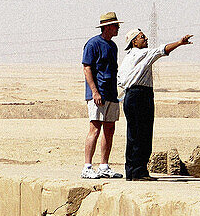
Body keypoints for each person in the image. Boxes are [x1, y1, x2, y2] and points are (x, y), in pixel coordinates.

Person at [118, 27, 193, 180]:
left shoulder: (127, 58)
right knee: (143, 134)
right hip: (141, 96)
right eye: (142, 37)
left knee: (132, 135)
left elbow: (120, 79)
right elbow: (161, 50)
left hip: (129, 96)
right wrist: (179, 42)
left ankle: (131, 171)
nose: (146, 39)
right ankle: (139, 172)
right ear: (134, 42)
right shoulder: (143, 53)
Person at [81, 12, 123, 179]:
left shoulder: (113, 46)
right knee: (95, 128)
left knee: (110, 129)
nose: (118, 28)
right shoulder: (93, 44)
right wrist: (94, 91)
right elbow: (87, 68)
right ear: (107, 27)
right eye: (115, 26)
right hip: (97, 94)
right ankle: (87, 166)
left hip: (111, 93)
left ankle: (104, 166)